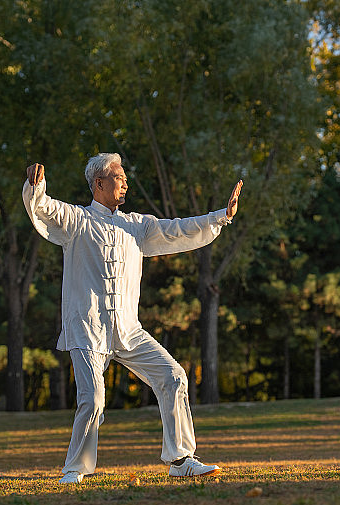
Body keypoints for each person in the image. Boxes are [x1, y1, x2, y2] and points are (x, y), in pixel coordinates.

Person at [22, 153, 243, 484]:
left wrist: (219, 216)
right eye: (118, 178)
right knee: (93, 400)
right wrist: (35, 185)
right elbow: (44, 207)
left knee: (174, 376)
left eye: (124, 179)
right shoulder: (77, 221)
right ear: (99, 183)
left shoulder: (137, 225)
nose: (125, 183)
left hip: (128, 331)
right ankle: (75, 469)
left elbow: (176, 229)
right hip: (87, 330)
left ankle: (181, 459)